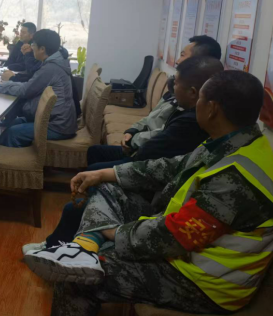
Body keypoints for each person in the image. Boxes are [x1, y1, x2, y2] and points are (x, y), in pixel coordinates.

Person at [24, 70, 273, 316]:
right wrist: (105, 173)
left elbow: (173, 237)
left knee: (75, 278)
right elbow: (171, 166)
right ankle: (82, 248)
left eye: (200, 99)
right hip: (183, 245)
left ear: (212, 109)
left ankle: (83, 251)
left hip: (202, 282)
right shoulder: (235, 142)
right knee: (106, 187)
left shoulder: (237, 178)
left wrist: (113, 232)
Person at [28, 56, 225, 250]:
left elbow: (153, 156)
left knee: (80, 200)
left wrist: (113, 231)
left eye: (177, 82)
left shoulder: (192, 123)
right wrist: (131, 134)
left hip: (157, 202)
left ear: (198, 97)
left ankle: (62, 245)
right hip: (150, 174)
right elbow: (157, 142)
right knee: (94, 171)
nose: (172, 84)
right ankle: (68, 239)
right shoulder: (197, 124)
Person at [89, 35, 223, 167]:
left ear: (199, 62)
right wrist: (132, 130)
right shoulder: (176, 91)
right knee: (94, 152)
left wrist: (133, 142)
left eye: (182, 55)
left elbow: (160, 140)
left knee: (94, 169)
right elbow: (151, 117)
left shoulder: (189, 109)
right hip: (141, 147)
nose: (177, 61)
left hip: (146, 156)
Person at [0, 29, 76, 147]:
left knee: (13, 132)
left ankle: (0, 155)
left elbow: (25, 90)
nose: (31, 47)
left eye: (33, 44)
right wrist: (3, 85)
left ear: (42, 49)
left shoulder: (51, 68)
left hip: (58, 126)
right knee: (13, 123)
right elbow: (29, 85)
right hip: (57, 121)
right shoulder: (55, 62)